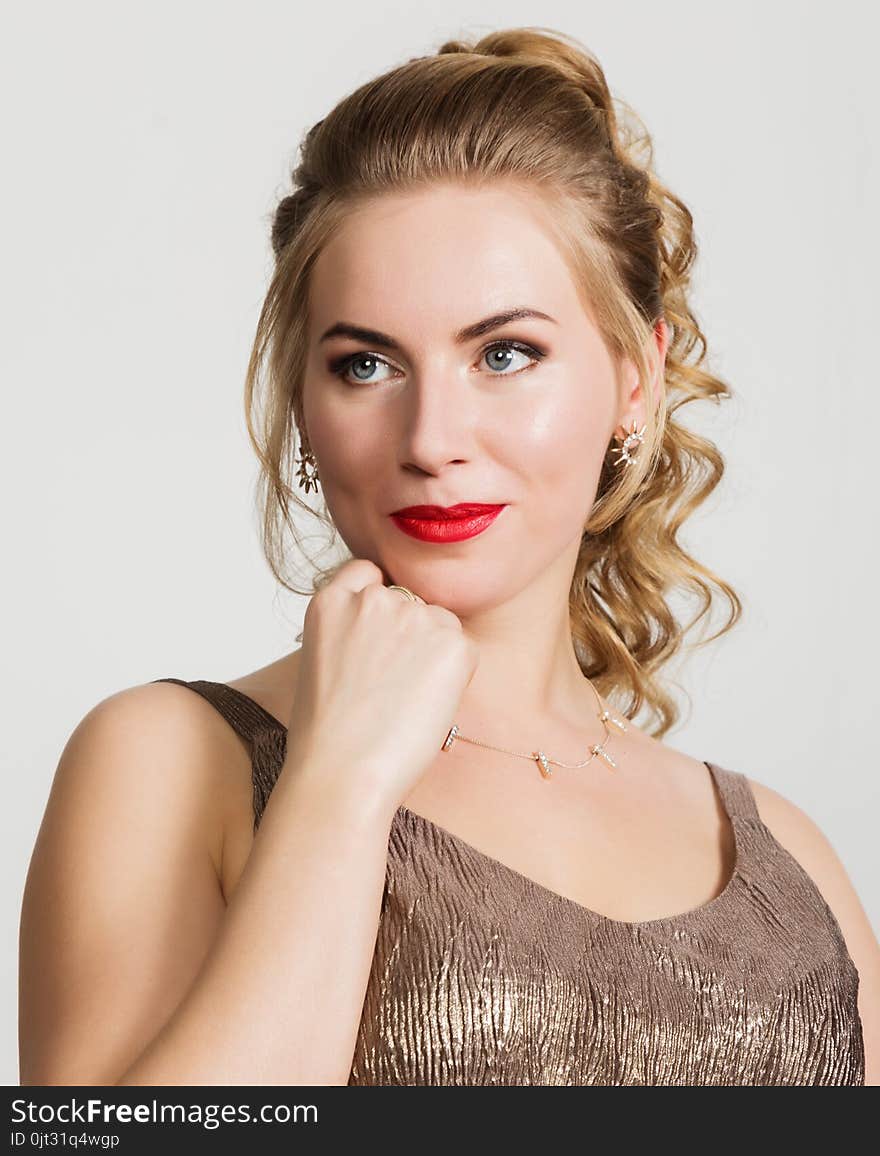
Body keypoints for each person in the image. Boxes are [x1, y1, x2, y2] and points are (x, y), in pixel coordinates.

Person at [19, 26, 877, 1087]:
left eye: (504, 353)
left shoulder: (785, 864)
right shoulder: (170, 760)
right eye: (366, 363)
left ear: (632, 380)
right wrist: (337, 782)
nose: (430, 439)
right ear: (302, 401)